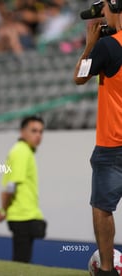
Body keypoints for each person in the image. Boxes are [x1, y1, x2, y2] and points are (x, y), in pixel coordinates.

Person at [73, 1, 122, 275]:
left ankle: (106, 269)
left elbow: (79, 78)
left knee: (103, 208)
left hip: (113, 142)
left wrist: (90, 45)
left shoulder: (108, 46)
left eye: (104, 10)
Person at [0, 115, 46, 263]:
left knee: (21, 261)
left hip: (23, 215)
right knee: (21, 263)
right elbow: (10, 187)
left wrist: (3, 210)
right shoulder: (21, 151)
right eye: (34, 131)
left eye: (41, 131)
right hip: (23, 216)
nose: (38, 135)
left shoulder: (23, 150)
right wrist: (3, 210)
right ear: (22, 132)